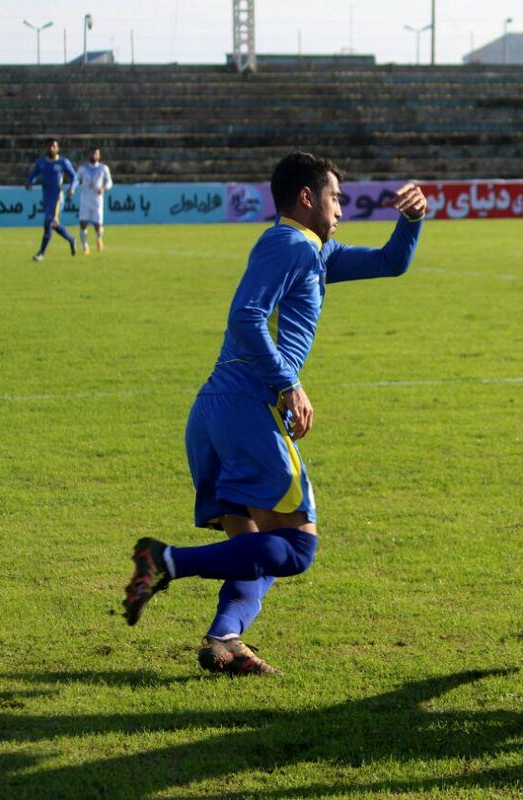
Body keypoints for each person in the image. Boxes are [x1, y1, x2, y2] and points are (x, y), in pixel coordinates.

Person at [121, 151, 428, 676]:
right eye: (334, 197)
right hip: (247, 407)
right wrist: (288, 383)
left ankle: (225, 640)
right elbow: (246, 314)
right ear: (306, 198)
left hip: (219, 411)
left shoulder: (314, 252)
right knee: (297, 549)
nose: (341, 208)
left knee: (254, 549)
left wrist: (412, 220)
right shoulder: (289, 243)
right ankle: (165, 560)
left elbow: (390, 263)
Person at [24, 138, 77, 262]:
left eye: (54, 146)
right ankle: (71, 239)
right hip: (47, 199)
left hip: (58, 198)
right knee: (51, 225)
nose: (51, 148)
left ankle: (41, 254)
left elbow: (75, 177)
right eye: (49, 146)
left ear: (58, 148)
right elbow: (32, 176)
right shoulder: (41, 163)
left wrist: (72, 188)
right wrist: (29, 183)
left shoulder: (63, 162)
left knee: (50, 223)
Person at [72, 146, 114, 253]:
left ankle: (99, 238)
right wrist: (73, 188)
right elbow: (77, 180)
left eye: (96, 153)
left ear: (99, 156)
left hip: (97, 201)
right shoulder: (83, 168)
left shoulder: (103, 168)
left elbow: (109, 182)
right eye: (92, 153)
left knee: (97, 226)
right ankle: (85, 246)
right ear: (89, 155)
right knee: (83, 223)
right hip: (85, 200)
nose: (94, 155)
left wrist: (103, 188)